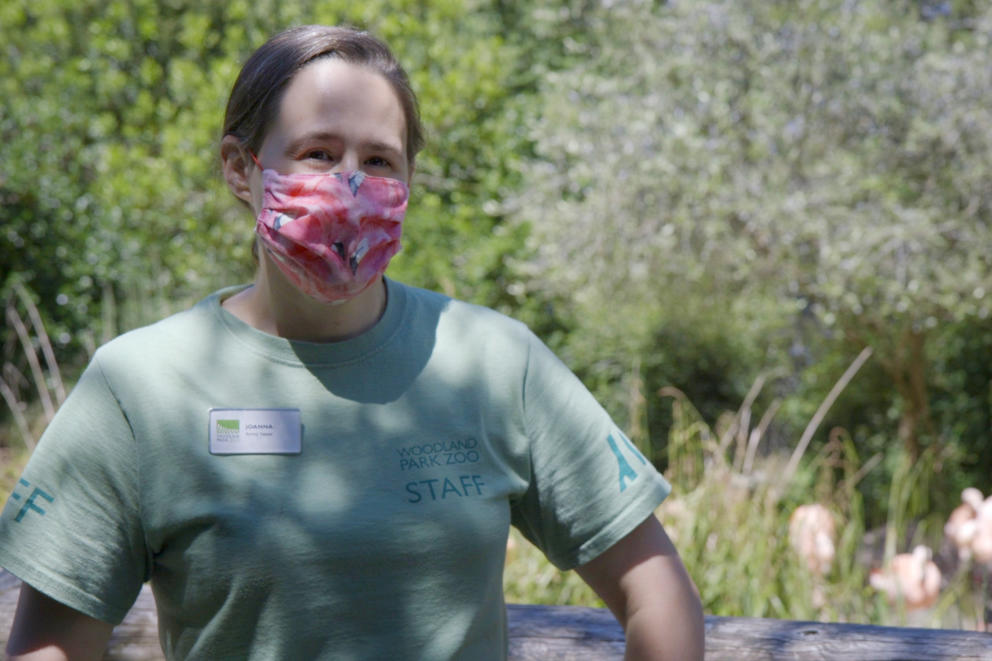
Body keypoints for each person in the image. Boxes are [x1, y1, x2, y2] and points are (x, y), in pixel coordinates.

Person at [0, 25, 704, 660]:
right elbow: (51, 646)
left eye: (379, 160)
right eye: (318, 153)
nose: (349, 185)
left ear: (408, 181)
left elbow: (659, 595)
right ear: (240, 168)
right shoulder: (140, 385)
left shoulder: (494, 362)